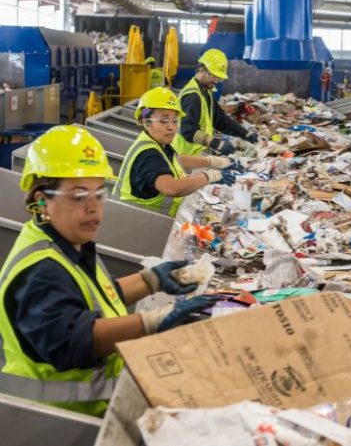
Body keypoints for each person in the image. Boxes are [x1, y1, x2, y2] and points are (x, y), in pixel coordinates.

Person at [0, 125, 218, 416]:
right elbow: (78, 340)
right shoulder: (40, 270)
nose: (94, 208)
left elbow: (95, 298)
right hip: (59, 422)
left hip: (96, 405)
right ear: (42, 200)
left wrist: (151, 279)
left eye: (99, 193)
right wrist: (152, 321)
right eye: (78, 195)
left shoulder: (64, 241)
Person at [114, 87, 240, 217]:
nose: (171, 127)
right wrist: (209, 176)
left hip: (152, 217)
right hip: (139, 222)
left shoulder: (156, 141)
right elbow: (172, 188)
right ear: (146, 122)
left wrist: (213, 161)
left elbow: (176, 160)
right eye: (164, 120)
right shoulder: (148, 154)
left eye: (175, 121)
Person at [172, 49, 258, 156]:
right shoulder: (192, 96)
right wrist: (215, 143)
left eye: (219, 78)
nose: (216, 81)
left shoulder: (205, 91)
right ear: (202, 70)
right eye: (214, 76)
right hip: (185, 156)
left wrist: (245, 133)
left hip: (196, 153)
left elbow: (220, 119)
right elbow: (188, 130)